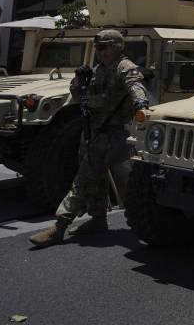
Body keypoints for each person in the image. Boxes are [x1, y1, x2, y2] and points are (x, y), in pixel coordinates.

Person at [30, 29, 149, 246]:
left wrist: (141, 103)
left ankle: (60, 226)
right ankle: (98, 219)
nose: (101, 51)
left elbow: (135, 85)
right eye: (99, 48)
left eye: (105, 47)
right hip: (92, 131)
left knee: (84, 179)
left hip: (110, 133)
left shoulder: (124, 67)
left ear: (116, 47)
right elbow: (77, 96)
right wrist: (80, 80)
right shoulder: (98, 70)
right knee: (97, 178)